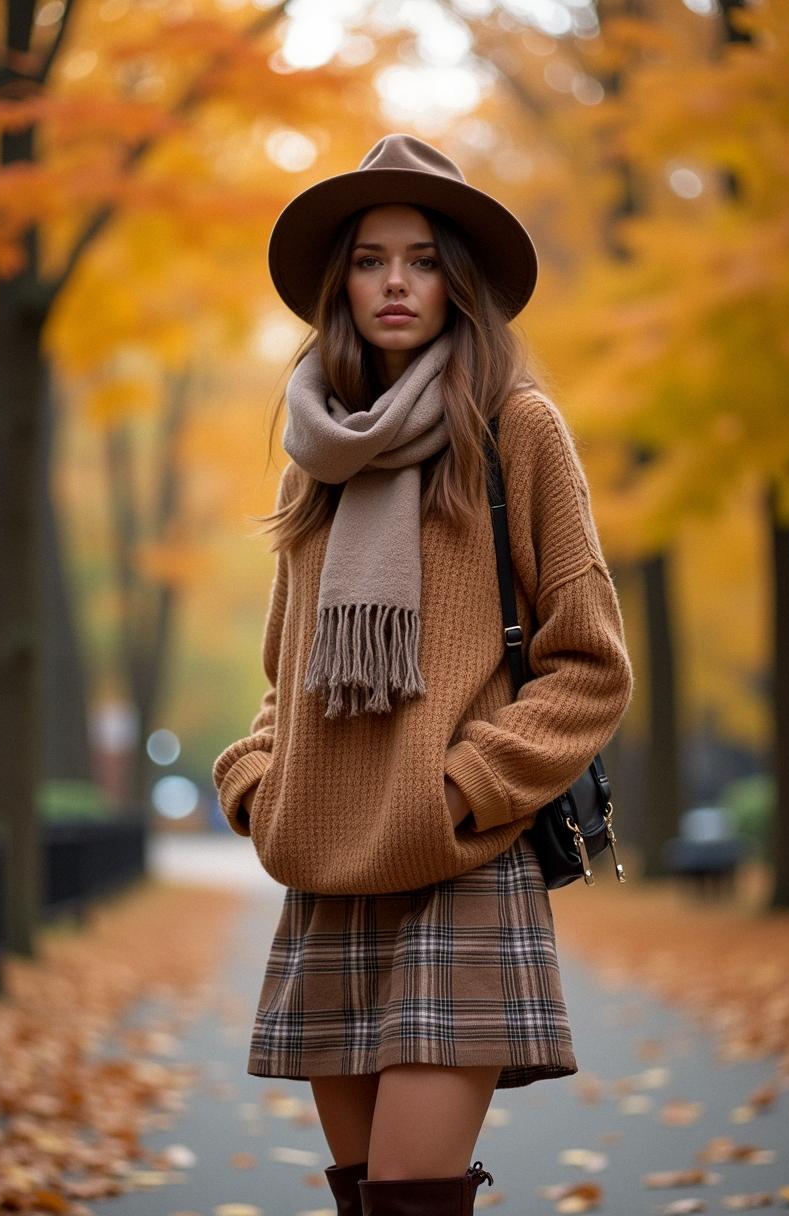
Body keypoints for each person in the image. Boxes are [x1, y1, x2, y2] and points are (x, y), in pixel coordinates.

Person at [212, 133, 633, 1216]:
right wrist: (257, 786)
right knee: (364, 1198)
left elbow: (589, 662)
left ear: (461, 280)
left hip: (457, 862)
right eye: (367, 258)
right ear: (338, 283)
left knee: (411, 1192)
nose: (393, 282)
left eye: (421, 257)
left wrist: (461, 789)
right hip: (330, 874)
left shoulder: (517, 429)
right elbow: (283, 680)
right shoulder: (320, 456)